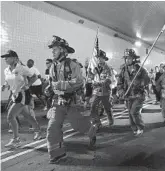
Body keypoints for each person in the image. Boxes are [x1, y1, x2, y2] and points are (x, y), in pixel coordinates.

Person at [46, 35, 88, 164]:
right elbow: (52, 82)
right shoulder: (52, 66)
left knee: (81, 127)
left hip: (73, 102)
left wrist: (59, 85)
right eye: (52, 49)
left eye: (55, 49)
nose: (52, 51)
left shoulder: (73, 65)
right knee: (52, 127)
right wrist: (49, 88)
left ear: (63, 51)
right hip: (58, 102)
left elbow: (78, 82)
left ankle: (92, 133)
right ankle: (57, 154)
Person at [1, 50, 42, 148]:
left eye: (8, 57)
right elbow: (8, 81)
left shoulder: (22, 68)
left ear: (15, 58)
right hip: (15, 95)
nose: (5, 59)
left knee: (10, 116)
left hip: (23, 95)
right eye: (4, 57)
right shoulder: (6, 70)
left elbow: (35, 77)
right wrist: (4, 85)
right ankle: (38, 131)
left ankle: (16, 139)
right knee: (27, 115)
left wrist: (27, 85)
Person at [117, 49, 150, 136]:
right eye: (126, 58)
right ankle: (134, 128)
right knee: (130, 113)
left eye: (129, 58)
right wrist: (121, 92)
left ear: (134, 59)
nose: (127, 60)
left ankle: (140, 127)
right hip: (128, 95)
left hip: (139, 95)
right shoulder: (123, 70)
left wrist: (141, 83)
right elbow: (119, 82)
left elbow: (147, 80)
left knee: (134, 112)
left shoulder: (141, 69)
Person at [90, 49, 114, 126]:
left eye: (100, 58)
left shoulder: (108, 68)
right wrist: (90, 75)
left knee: (107, 108)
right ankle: (97, 122)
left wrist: (100, 83)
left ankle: (110, 119)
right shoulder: (95, 68)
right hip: (96, 91)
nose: (99, 59)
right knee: (93, 106)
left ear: (104, 59)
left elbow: (109, 79)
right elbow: (92, 77)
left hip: (105, 91)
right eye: (98, 58)